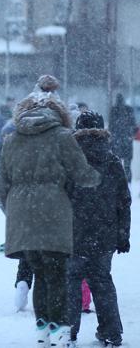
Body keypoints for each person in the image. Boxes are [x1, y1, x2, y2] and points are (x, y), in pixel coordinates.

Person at [0, 95, 101, 347]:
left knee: (40, 273)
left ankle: (41, 327)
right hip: (54, 212)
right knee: (58, 275)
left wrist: (14, 212)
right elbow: (81, 173)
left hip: (22, 216)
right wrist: (99, 178)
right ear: (59, 114)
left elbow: (0, 186)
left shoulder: (11, 140)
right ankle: (60, 329)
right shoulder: (63, 137)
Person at [66, 111, 131, 347]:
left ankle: (67, 333)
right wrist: (123, 235)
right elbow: (124, 202)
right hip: (104, 236)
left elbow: (60, 198)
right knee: (102, 282)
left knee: (71, 282)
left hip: (74, 234)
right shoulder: (112, 161)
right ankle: (111, 332)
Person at [109, 93, 137, 182]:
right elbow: (134, 125)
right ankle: (128, 183)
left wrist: (111, 137)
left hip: (116, 140)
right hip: (126, 140)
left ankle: (119, 182)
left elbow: (111, 126)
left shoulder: (113, 110)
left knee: (117, 164)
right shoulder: (129, 110)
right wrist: (131, 135)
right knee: (127, 165)